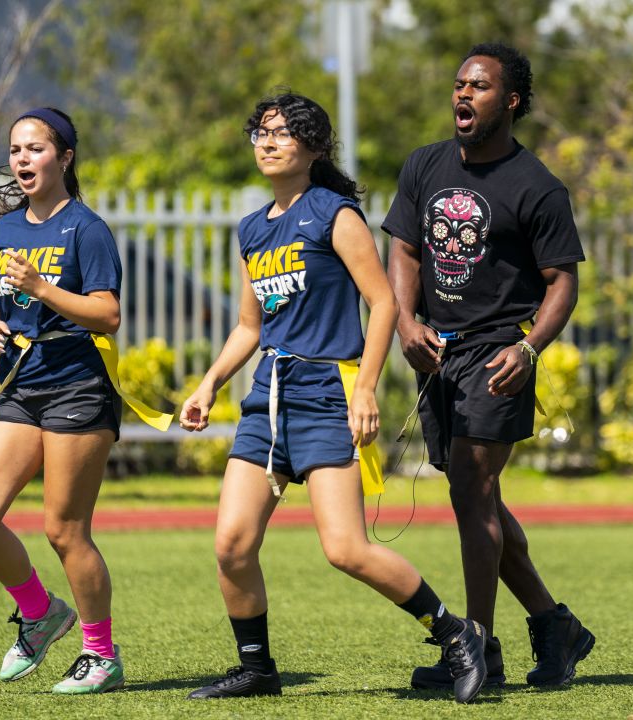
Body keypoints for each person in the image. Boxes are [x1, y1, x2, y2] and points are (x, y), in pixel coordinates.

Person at [179, 92, 488, 704]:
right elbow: (250, 326)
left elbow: (383, 304)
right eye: (260, 133)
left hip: (327, 391)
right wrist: (209, 383)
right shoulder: (252, 228)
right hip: (269, 394)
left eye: (283, 133)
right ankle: (258, 667)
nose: (267, 142)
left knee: (345, 549)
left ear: (314, 148)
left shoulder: (334, 214)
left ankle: (456, 633)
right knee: (231, 545)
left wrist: (365, 385)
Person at [382, 43, 596, 690]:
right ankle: (556, 628)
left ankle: (476, 648)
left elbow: (563, 284)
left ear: (511, 102)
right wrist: (404, 320)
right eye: (458, 84)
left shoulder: (538, 188)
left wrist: (529, 348)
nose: (462, 95)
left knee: (473, 495)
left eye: (478, 86)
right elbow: (404, 250)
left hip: (498, 352)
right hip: (436, 354)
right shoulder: (425, 165)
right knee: (481, 504)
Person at [0, 107, 126, 694]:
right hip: (22, 388)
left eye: (36, 149)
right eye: (15, 151)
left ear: (65, 158)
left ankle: (101, 655)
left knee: (64, 529)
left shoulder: (86, 228)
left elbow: (108, 314)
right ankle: (40, 610)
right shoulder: (7, 231)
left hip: (79, 386)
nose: (22, 160)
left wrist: (42, 287)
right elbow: (4, 303)